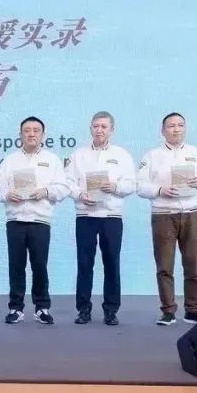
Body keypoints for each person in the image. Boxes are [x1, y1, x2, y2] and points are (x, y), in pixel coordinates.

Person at [136, 111, 197, 326]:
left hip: (192, 214)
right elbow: (140, 186)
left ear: (185, 129)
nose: (176, 129)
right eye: (171, 126)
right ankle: (168, 311)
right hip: (163, 216)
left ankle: (193, 310)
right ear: (163, 131)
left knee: (193, 265)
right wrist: (159, 190)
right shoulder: (151, 156)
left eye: (180, 125)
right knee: (164, 266)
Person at [0, 116, 70, 325]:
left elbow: (63, 188)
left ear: (43, 135)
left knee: (39, 265)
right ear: (20, 135)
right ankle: (15, 308)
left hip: (40, 219)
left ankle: (42, 307)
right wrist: (7, 194)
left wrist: (46, 191)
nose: (31, 134)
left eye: (36, 130)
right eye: (27, 130)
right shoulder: (10, 160)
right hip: (15, 219)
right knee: (16, 265)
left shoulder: (52, 160)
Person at [65, 111, 136, 326]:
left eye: (104, 127)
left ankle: (111, 310)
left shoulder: (122, 155)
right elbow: (68, 182)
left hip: (111, 216)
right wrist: (80, 194)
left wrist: (115, 187)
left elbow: (131, 184)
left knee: (112, 263)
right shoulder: (78, 155)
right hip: (85, 215)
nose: (99, 130)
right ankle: (83, 310)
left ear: (112, 130)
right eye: (96, 126)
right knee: (84, 263)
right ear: (90, 129)